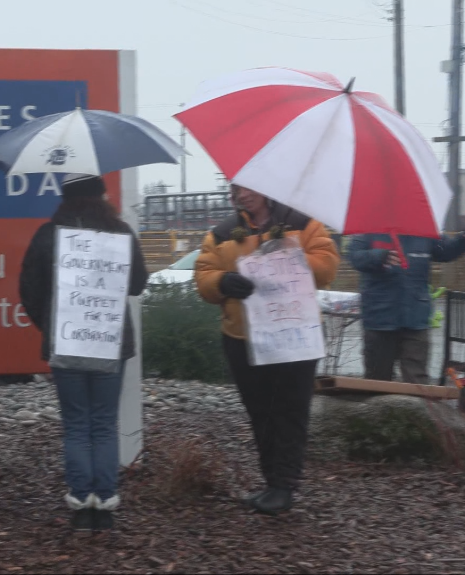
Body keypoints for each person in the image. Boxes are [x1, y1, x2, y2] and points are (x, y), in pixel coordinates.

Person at [194, 184, 339, 515]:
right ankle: (272, 481)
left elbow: (328, 266)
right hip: (243, 339)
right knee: (261, 412)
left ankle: (283, 486)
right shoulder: (223, 232)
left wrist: (289, 258)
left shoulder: (305, 224)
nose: (243, 195)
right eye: (237, 189)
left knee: (290, 411)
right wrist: (222, 283)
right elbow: (203, 276)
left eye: (250, 188)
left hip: (295, 336)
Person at [18, 174, 149, 533]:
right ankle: (104, 505)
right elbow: (138, 283)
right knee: (104, 423)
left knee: (77, 424)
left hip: (67, 340)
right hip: (110, 341)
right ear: (102, 197)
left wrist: (48, 326)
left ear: (64, 199)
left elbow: (28, 288)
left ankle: (80, 504)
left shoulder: (48, 234)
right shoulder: (120, 232)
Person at [347, 232, 465, 384]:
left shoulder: (423, 229)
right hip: (379, 319)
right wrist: (379, 256)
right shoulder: (369, 229)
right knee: (377, 382)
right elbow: (355, 256)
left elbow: (446, 251)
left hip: (416, 319)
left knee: (416, 382)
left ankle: (418, 406)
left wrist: (462, 239)